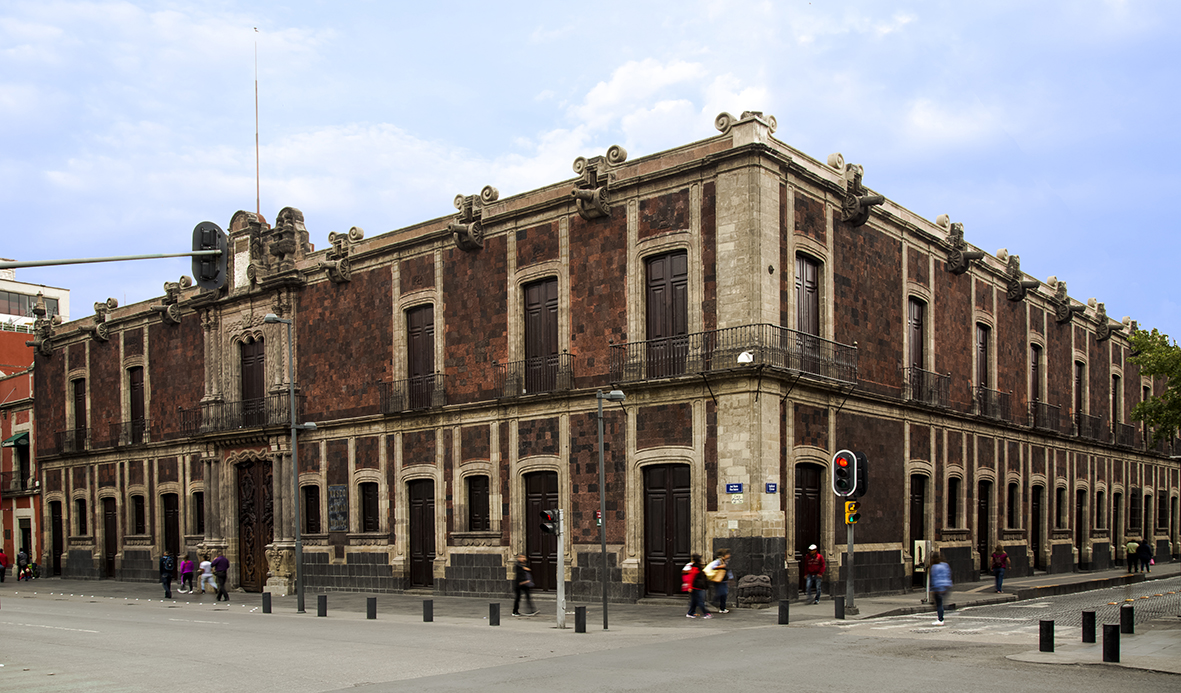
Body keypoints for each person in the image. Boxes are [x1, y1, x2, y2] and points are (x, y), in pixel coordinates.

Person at [684, 554, 710, 618]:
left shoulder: (698, 567)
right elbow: (691, 578)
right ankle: (706, 613)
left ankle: (690, 612)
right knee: (700, 601)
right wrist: (690, 587)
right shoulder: (694, 568)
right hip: (696, 587)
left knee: (694, 601)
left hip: (698, 587)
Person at [930, 551, 952, 626]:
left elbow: (934, 578)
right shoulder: (945, 565)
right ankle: (941, 618)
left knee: (939, 604)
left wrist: (933, 589)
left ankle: (940, 619)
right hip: (946, 586)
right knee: (940, 603)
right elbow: (948, 574)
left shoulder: (934, 567)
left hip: (938, 587)